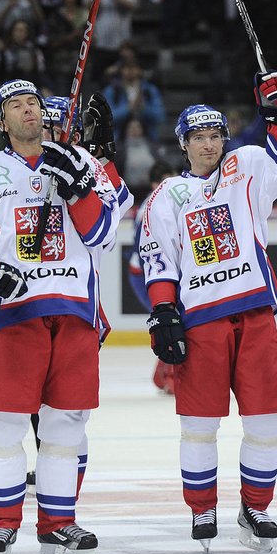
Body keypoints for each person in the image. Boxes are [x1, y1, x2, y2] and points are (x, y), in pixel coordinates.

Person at [0, 79, 121, 554]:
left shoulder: (80, 163)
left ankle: (58, 525)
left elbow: (105, 234)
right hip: (16, 313)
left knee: (65, 425)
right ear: (0, 121)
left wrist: (79, 187)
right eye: (16, 105)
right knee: (3, 422)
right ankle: (2, 522)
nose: (29, 110)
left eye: (33, 103)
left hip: (72, 309)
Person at [139, 71, 277, 553]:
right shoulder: (167, 195)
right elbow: (158, 258)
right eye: (199, 137)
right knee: (199, 423)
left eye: (215, 136)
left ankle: (255, 507)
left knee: (266, 419)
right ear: (183, 143)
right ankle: (202, 507)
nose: (209, 145)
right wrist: (164, 312)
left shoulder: (249, 166)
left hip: (254, 314)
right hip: (202, 321)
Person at [126, 160, 178, 395]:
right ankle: (169, 376)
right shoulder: (151, 206)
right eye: (164, 180)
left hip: (152, 272)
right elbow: (143, 247)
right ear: (154, 183)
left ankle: (163, 375)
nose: (169, 185)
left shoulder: (170, 201)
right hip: (146, 275)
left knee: (176, 321)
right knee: (172, 320)